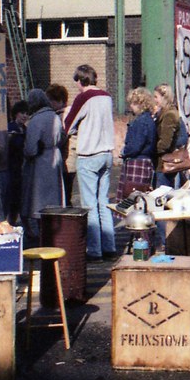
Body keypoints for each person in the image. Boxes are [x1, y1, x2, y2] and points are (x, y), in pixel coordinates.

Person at [62, 64, 116, 261]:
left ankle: (94, 250)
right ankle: (109, 246)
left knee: (89, 205)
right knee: (104, 202)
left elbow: (67, 127)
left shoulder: (83, 97)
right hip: (107, 153)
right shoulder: (107, 96)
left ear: (80, 80)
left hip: (89, 154)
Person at [21, 89, 65, 244]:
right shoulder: (55, 117)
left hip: (41, 161)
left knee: (40, 201)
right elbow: (62, 137)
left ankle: (43, 236)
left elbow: (30, 148)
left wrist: (29, 154)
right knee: (54, 199)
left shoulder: (36, 120)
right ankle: (54, 234)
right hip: (55, 155)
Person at [118, 87, 157, 199]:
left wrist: (125, 151)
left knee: (133, 198)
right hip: (145, 162)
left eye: (133, 103)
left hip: (137, 163)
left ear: (140, 104)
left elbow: (136, 145)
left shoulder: (141, 121)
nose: (131, 106)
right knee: (140, 197)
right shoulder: (148, 119)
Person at [152, 83, 187, 188]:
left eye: (156, 97)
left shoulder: (169, 115)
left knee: (162, 193)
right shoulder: (164, 113)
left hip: (165, 162)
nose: (154, 100)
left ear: (164, 97)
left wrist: (151, 150)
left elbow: (165, 143)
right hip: (162, 161)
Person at [46, 83, 76, 205]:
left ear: (59, 101)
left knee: (65, 194)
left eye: (51, 100)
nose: (49, 103)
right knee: (67, 193)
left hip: (66, 159)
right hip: (71, 159)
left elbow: (62, 136)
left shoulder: (63, 115)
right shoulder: (69, 112)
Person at [5, 99, 29, 224]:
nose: (25, 116)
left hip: (22, 168)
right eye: (22, 113)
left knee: (20, 198)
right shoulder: (11, 128)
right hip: (12, 167)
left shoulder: (25, 129)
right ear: (16, 114)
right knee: (12, 198)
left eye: (27, 113)